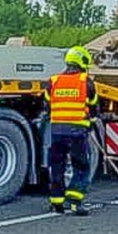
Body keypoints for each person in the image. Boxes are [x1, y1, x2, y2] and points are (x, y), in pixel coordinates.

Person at [44, 45, 99, 216]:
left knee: (57, 165)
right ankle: (76, 203)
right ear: (82, 62)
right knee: (80, 166)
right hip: (77, 132)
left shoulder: (53, 81)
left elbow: (47, 105)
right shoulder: (86, 82)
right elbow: (94, 107)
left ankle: (57, 203)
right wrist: (92, 120)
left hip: (57, 131)